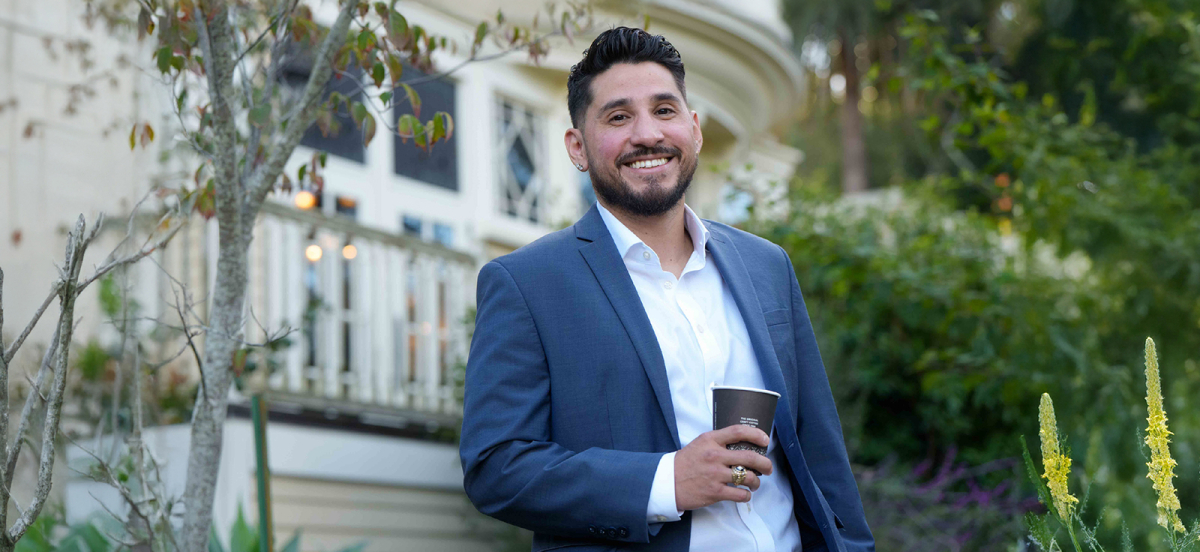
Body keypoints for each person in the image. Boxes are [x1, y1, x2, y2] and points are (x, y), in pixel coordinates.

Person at [459, 27, 874, 552]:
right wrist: (664, 482)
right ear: (577, 147)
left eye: (664, 110)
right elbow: (496, 466)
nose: (647, 134)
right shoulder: (526, 283)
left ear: (694, 130)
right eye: (618, 117)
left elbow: (819, 448)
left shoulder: (767, 265)